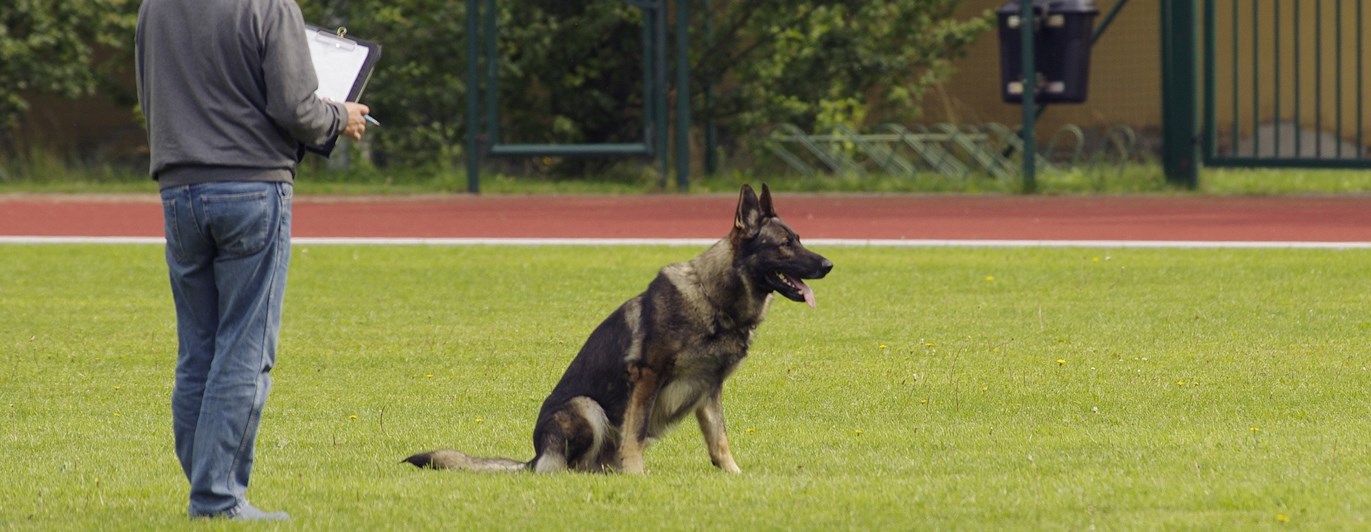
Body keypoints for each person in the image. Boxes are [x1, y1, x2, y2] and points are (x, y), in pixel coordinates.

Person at [135, 0, 369, 521]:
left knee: (197, 349)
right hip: (252, 187)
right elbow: (295, 107)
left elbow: (149, 92)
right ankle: (217, 499)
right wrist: (340, 116)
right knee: (244, 348)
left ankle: (206, 486)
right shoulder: (269, 4)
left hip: (178, 189)